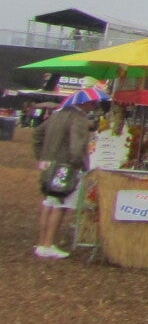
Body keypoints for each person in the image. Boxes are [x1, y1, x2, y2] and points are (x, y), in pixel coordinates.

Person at [32, 98, 92, 260]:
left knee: (49, 203)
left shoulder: (57, 114)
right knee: (59, 205)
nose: (93, 106)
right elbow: (76, 146)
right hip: (65, 166)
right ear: (84, 103)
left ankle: (42, 243)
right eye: (92, 103)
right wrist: (80, 164)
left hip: (49, 164)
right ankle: (48, 244)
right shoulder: (78, 118)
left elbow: (37, 133)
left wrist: (42, 155)